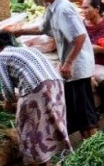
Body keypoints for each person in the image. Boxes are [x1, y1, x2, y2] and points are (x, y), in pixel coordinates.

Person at [11, 0, 98, 139]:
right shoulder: (52, 6)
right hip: (70, 66)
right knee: (77, 112)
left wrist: (68, 63)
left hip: (77, 67)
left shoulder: (64, 9)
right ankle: (87, 146)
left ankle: (94, 147)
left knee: (85, 114)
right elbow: (42, 28)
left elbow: (80, 37)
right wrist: (19, 30)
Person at [0, 32, 72, 166]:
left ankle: (37, 161)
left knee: (28, 128)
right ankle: (49, 159)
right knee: (51, 123)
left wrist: (8, 104)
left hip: (36, 88)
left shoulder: (1, 57)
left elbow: (7, 90)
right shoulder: (26, 50)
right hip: (56, 84)